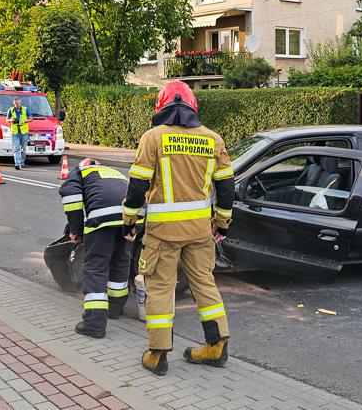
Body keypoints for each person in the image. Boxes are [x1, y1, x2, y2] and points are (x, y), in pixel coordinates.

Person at [122, 81, 235, 376]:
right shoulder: (213, 140)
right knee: (204, 284)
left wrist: (129, 220)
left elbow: (137, 187)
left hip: (163, 234)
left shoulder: (154, 137)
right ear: (193, 107)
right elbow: (226, 188)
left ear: (161, 108)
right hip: (200, 231)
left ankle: (157, 354)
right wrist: (221, 224)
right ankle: (216, 346)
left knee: (160, 288)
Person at [60, 157, 132, 339]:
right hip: (128, 218)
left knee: (95, 266)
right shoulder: (115, 173)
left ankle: (94, 323)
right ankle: (115, 308)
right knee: (120, 261)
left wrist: (75, 230)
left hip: (101, 218)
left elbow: (72, 200)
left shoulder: (79, 172)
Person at [7, 96, 30, 170]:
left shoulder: (25, 109)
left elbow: (31, 118)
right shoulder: (11, 110)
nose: (18, 105)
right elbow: (7, 120)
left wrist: (24, 121)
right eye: (17, 104)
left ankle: (22, 162)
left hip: (23, 132)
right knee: (16, 148)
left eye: (19, 103)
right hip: (15, 132)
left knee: (23, 149)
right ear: (14, 104)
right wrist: (11, 120)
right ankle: (17, 163)